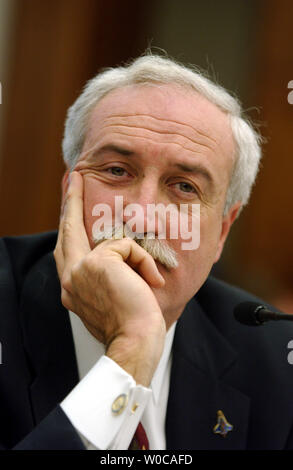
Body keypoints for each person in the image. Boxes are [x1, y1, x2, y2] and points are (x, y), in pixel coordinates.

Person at [1, 53, 293, 451]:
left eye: (184, 187)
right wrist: (130, 354)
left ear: (222, 231)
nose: (141, 216)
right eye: (117, 171)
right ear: (68, 192)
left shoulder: (277, 365)